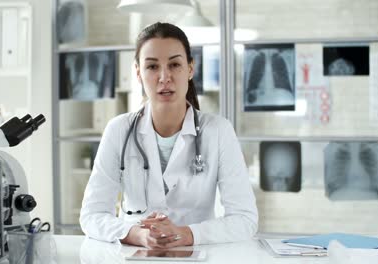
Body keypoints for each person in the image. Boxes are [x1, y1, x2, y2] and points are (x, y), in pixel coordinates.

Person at [80, 22, 258, 249]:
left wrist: (186, 234)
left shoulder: (218, 131)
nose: (164, 77)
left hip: (196, 255)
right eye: (152, 67)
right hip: (135, 255)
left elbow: (245, 220)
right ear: (138, 72)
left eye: (174, 64)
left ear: (190, 69)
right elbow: (92, 215)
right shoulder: (119, 130)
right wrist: (135, 234)